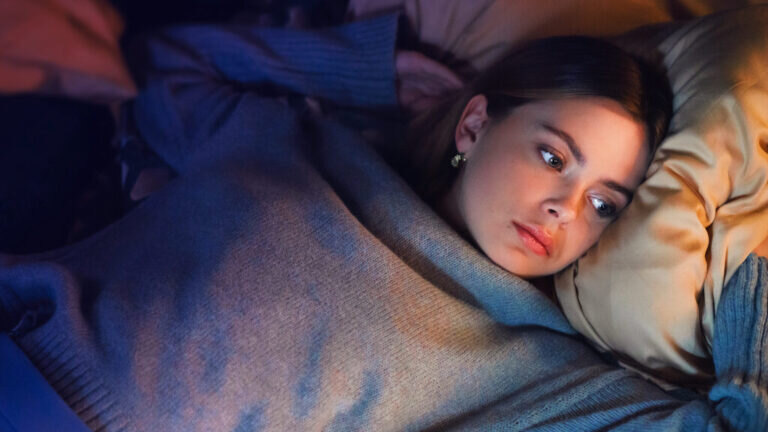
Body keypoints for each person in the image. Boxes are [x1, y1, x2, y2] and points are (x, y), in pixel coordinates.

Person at [1, 14, 766, 431]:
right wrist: (365, 69)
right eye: (552, 156)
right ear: (475, 125)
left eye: (605, 204)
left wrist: (747, 224)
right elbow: (163, 65)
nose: (565, 209)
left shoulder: (537, 364)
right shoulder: (308, 143)